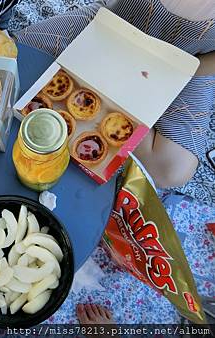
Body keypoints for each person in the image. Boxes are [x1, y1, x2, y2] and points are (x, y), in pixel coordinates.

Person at [13, 0, 215, 205]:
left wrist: (170, 75)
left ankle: (115, 120)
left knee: (171, 169)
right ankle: (109, 104)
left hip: (187, 62)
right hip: (114, 26)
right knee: (17, 57)